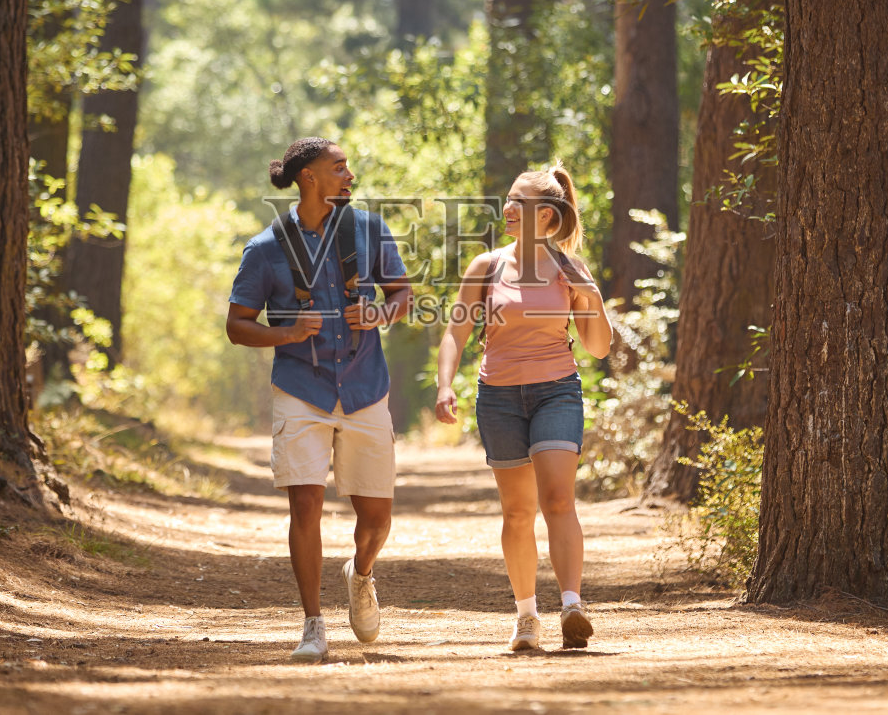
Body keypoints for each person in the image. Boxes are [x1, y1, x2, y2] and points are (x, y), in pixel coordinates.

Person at [226, 137, 413, 664]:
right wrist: (286, 334)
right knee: (305, 503)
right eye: (339, 166)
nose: (349, 174)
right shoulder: (266, 248)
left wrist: (380, 314)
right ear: (309, 177)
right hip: (300, 390)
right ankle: (312, 625)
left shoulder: (369, 230)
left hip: (364, 387)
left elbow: (402, 295)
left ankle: (362, 573)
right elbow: (237, 326)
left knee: (375, 518)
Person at [434, 163, 612, 652]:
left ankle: (572, 605)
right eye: (508, 199)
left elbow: (598, 347)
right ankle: (527, 617)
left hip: (556, 390)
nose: (508, 209)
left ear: (549, 219)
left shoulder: (570, 270)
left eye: (521, 203)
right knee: (517, 512)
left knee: (557, 499)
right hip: (499, 397)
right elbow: (456, 331)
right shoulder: (486, 267)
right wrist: (444, 384)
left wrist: (590, 298)